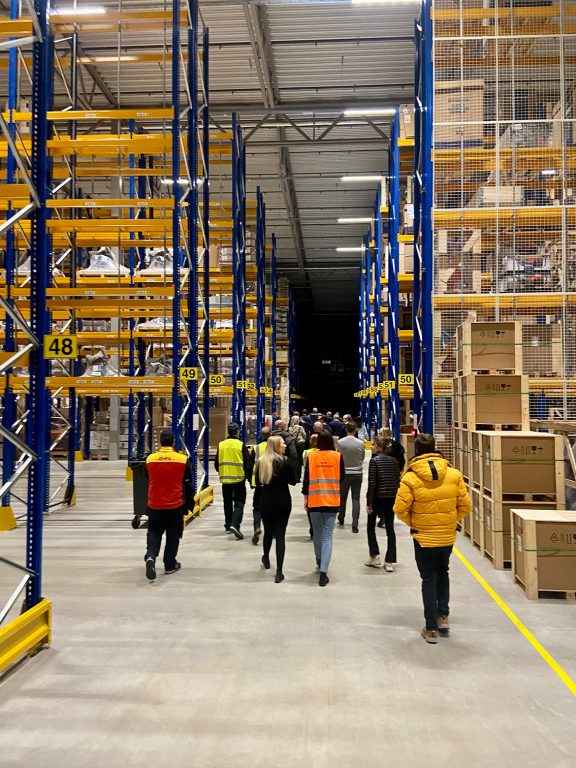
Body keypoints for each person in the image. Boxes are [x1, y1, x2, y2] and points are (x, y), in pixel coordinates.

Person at [394, 433, 471, 644]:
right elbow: (465, 505)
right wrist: (449, 520)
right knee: (442, 572)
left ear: (416, 450)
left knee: (428, 578)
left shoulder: (410, 477)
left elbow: (399, 509)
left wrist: (414, 522)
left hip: (423, 536)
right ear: (435, 447)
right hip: (446, 535)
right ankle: (443, 617)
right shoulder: (453, 474)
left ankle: (430, 628)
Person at [144, 429, 194, 581]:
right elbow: (188, 477)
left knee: (154, 532)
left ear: (160, 442)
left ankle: (151, 556)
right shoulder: (182, 459)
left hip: (154, 504)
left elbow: (147, 476)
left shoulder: (150, 459)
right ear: (173, 442)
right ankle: (169, 565)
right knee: (173, 535)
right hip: (174, 505)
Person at [302, 431, 345, 587]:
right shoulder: (337, 457)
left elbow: (306, 480)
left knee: (317, 534)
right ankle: (323, 572)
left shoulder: (311, 456)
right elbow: (342, 477)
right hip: (332, 500)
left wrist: (306, 498)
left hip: (314, 500)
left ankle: (319, 561)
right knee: (327, 536)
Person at [254, 436, 298, 583]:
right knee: (280, 535)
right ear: (276, 446)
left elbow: (257, 482)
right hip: (283, 501)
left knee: (268, 531)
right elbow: (293, 481)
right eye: (283, 443)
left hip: (266, 501)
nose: (285, 445)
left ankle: (266, 557)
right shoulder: (285, 461)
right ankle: (279, 572)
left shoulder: (261, 461)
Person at [365, 436, 400, 571]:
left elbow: (372, 483)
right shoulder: (395, 461)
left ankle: (374, 556)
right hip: (391, 498)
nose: (371, 446)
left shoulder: (374, 461)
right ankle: (389, 561)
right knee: (390, 529)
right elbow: (397, 481)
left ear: (379, 447)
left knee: (370, 526)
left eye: (373, 444)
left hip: (377, 498)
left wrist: (369, 502)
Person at [214, 422, 252, 540]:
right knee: (239, 502)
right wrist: (249, 478)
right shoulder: (240, 445)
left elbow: (216, 463)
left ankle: (228, 525)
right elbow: (247, 463)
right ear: (237, 432)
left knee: (227, 502)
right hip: (239, 479)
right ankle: (235, 525)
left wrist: (223, 471)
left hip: (225, 479)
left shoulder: (221, 445)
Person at [336, 421, 366, 532]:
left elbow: (338, 457)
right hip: (357, 473)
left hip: (344, 473)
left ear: (346, 430)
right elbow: (362, 457)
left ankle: (341, 517)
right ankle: (355, 524)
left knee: (342, 497)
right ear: (355, 430)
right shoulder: (360, 443)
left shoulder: (340, 442)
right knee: (356, 499)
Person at [376, 427, 406, 528]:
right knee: (391, 497)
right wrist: (397, 471)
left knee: (380, 496)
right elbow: (402, 461)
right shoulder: (397, 446)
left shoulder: (379, 446)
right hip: (394, 475)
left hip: (381, 475)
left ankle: (382, 515)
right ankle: (388, 516)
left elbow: (374, 460)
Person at [250, 426, 271, 546]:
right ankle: (270, 530)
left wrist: (251, 481)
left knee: (257, 507)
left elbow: (250, 465)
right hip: (271, 482)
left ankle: (257, 527)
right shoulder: (274, 448)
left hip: (259, 482)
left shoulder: (256, 448)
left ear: (261, 435)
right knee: (270, 507)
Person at [302, 433, 319, 538]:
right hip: (319, 479)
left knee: (309, 505)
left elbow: (304, 464)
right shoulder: (321, 453)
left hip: (308, 478)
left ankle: (312, 527)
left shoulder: (305, 453)